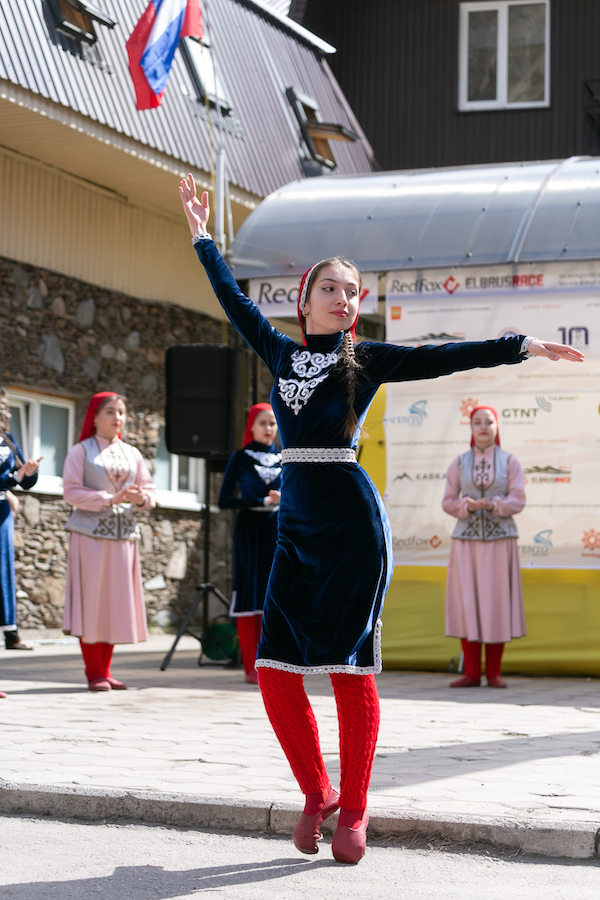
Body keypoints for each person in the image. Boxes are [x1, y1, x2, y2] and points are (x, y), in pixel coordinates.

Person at [179, 174, 584, 864]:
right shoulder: (280, 352)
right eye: (330, 287)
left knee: (348, 667)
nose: (344, 298)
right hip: (295, 529)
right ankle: (318, 791)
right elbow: (231, 300)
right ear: (304, 299)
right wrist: (203, 237)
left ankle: (356, 810)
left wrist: (521, 344)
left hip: (351, 525)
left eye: (353, 290)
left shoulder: (363, 359)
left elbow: (442, 357)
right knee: (274, 668)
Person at [62, 393, 156, 692]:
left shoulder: (132, 453)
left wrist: (140, 498)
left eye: (122, 412)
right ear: (94, 417)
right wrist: (110, 499)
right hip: (89, 535)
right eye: (110, 411)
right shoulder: (80, 451)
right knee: (93, 601)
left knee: (114, 603)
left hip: (123, 535)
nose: (118, 418)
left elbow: (150, 491)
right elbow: (70, 492)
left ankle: (105, 670)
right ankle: (94, 672)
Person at [443, 406, 526, 689]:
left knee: (496, 602)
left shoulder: (510, 461)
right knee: (467, 602)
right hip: (466, 542)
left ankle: (493, 673)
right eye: (477, 422)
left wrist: (494, 504)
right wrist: (466, 506)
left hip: (500, 541)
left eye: (488, 422)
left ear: (497, 426)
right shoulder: (459, 463)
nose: (483, 427)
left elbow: (518, 499)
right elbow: (447, 501)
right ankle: (471, 673)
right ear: (470, 427)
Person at [218, 403, 281, 684]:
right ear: (251, 426)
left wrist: (283, 500)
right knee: (249, 597)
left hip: (278, 533)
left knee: (275, 597)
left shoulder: (286, 458)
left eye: (273, 423)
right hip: (250, 534)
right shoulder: (241, 457)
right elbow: (224, 500)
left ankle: (276, 664)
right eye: (263, 423)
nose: (268, 428)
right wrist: (261, 501)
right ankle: (251, 666)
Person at [0, 413, 42, 698]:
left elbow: (23, 481)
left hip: (1, 514)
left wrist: (28, 471)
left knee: (2, 579)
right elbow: (8, 479)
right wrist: (12, 479)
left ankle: (10, 634)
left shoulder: (6, 439)